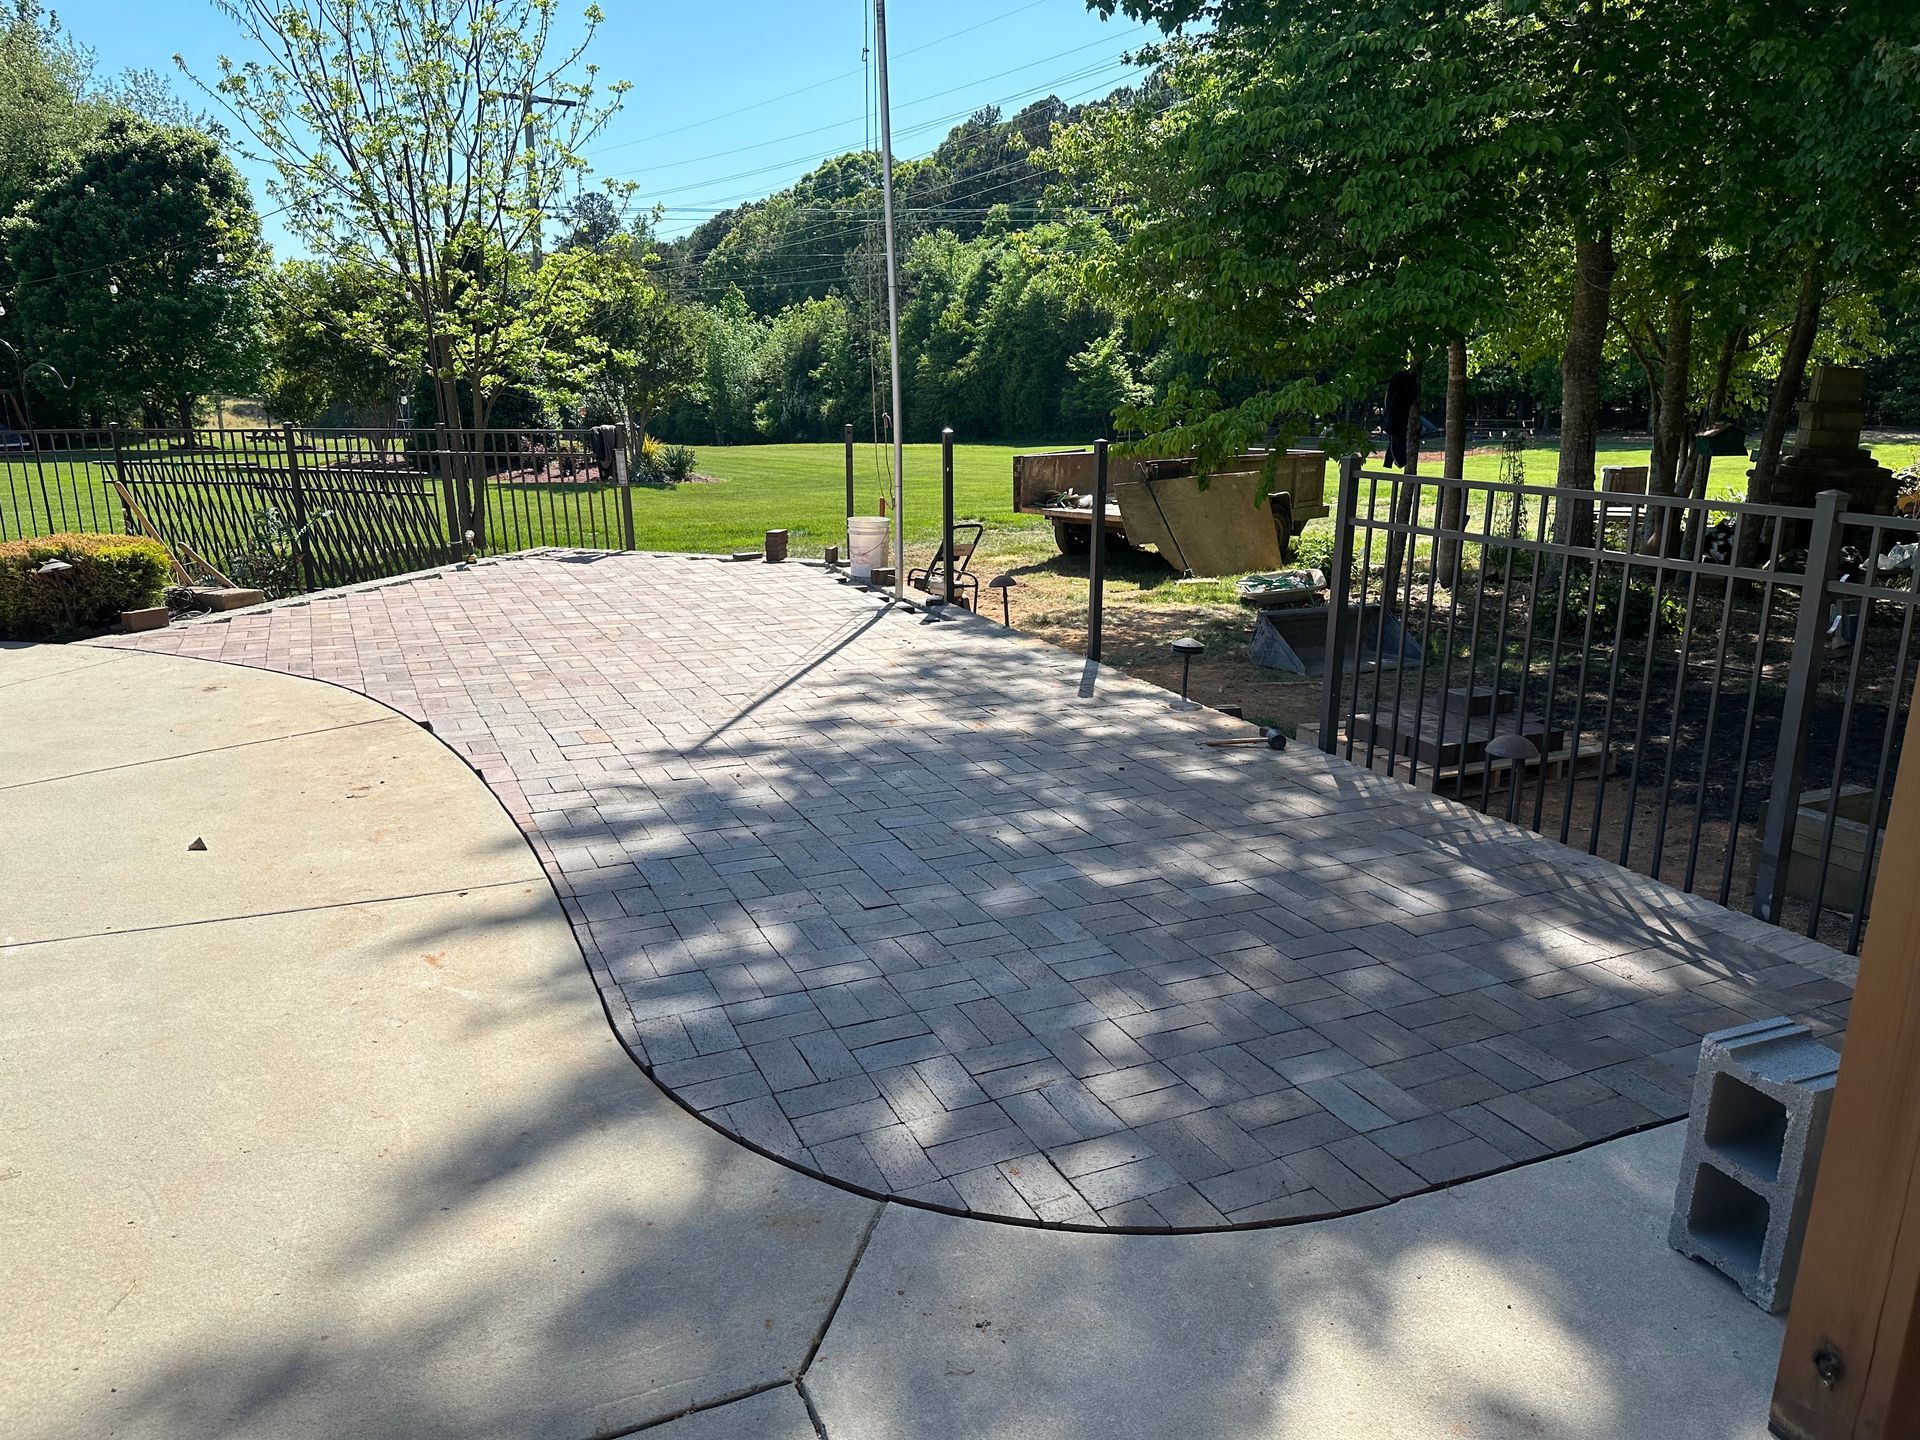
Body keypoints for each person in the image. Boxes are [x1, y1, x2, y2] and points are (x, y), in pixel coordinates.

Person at [1383, 369, 1417, 468]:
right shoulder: (1402, 390)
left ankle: (1397, 460)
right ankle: (1398, 460)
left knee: (1396, 440)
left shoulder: (1395, 389)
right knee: (1397, 439)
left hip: (1396, 421)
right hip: (1398, 421)